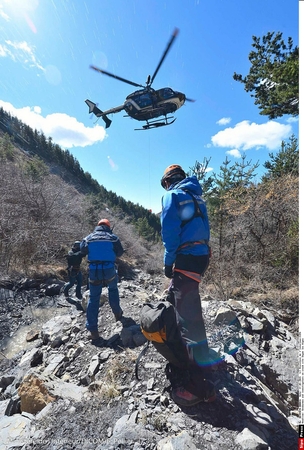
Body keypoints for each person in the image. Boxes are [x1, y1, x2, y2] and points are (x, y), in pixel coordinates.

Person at [160, 164, 216, 406]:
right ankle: (201, 357)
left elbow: (169, 233)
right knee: (188, 305)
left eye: (164, 184)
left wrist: (168, 262)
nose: (165, 187)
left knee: (188, 321)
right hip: (201, 256)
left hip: (187, 258)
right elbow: (204, 228)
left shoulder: (172, 195)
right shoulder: (197, 196)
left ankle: (197, 386)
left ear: (168, 181)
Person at [80, 219, 124, 344]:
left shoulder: (88, 238)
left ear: (97, 226)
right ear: (108, 227)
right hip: (109, 269)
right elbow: (120, 253)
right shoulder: (113, 238)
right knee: (113, 289)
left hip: (94, 270)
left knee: (93, 299)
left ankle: (93, 331)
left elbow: (82, 251)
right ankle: (117, 314)